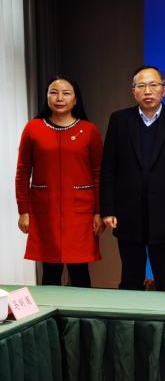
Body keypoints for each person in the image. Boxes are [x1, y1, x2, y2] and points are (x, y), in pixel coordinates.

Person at [100, 65, 165, 291]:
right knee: (130, 275)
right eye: (141, 86)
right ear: (133, 92)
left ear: (164, 90)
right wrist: (108, 209)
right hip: (128, 212)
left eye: (153, 85)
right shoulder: (119, 120)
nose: (148, 91)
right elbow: (109, 167)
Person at [15, 75, 104, 286]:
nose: (60, 98)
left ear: (75, 99)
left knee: (80, 271)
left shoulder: (89, 130)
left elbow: (99, 173)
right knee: (50, 271)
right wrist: (23, 211)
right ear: (46, 97)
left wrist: (99, 212)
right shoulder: (33, 128)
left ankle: (83, 309)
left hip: (80, 212)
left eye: (66, 93)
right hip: (45, 211)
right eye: (53, 93)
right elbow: (22, 172)